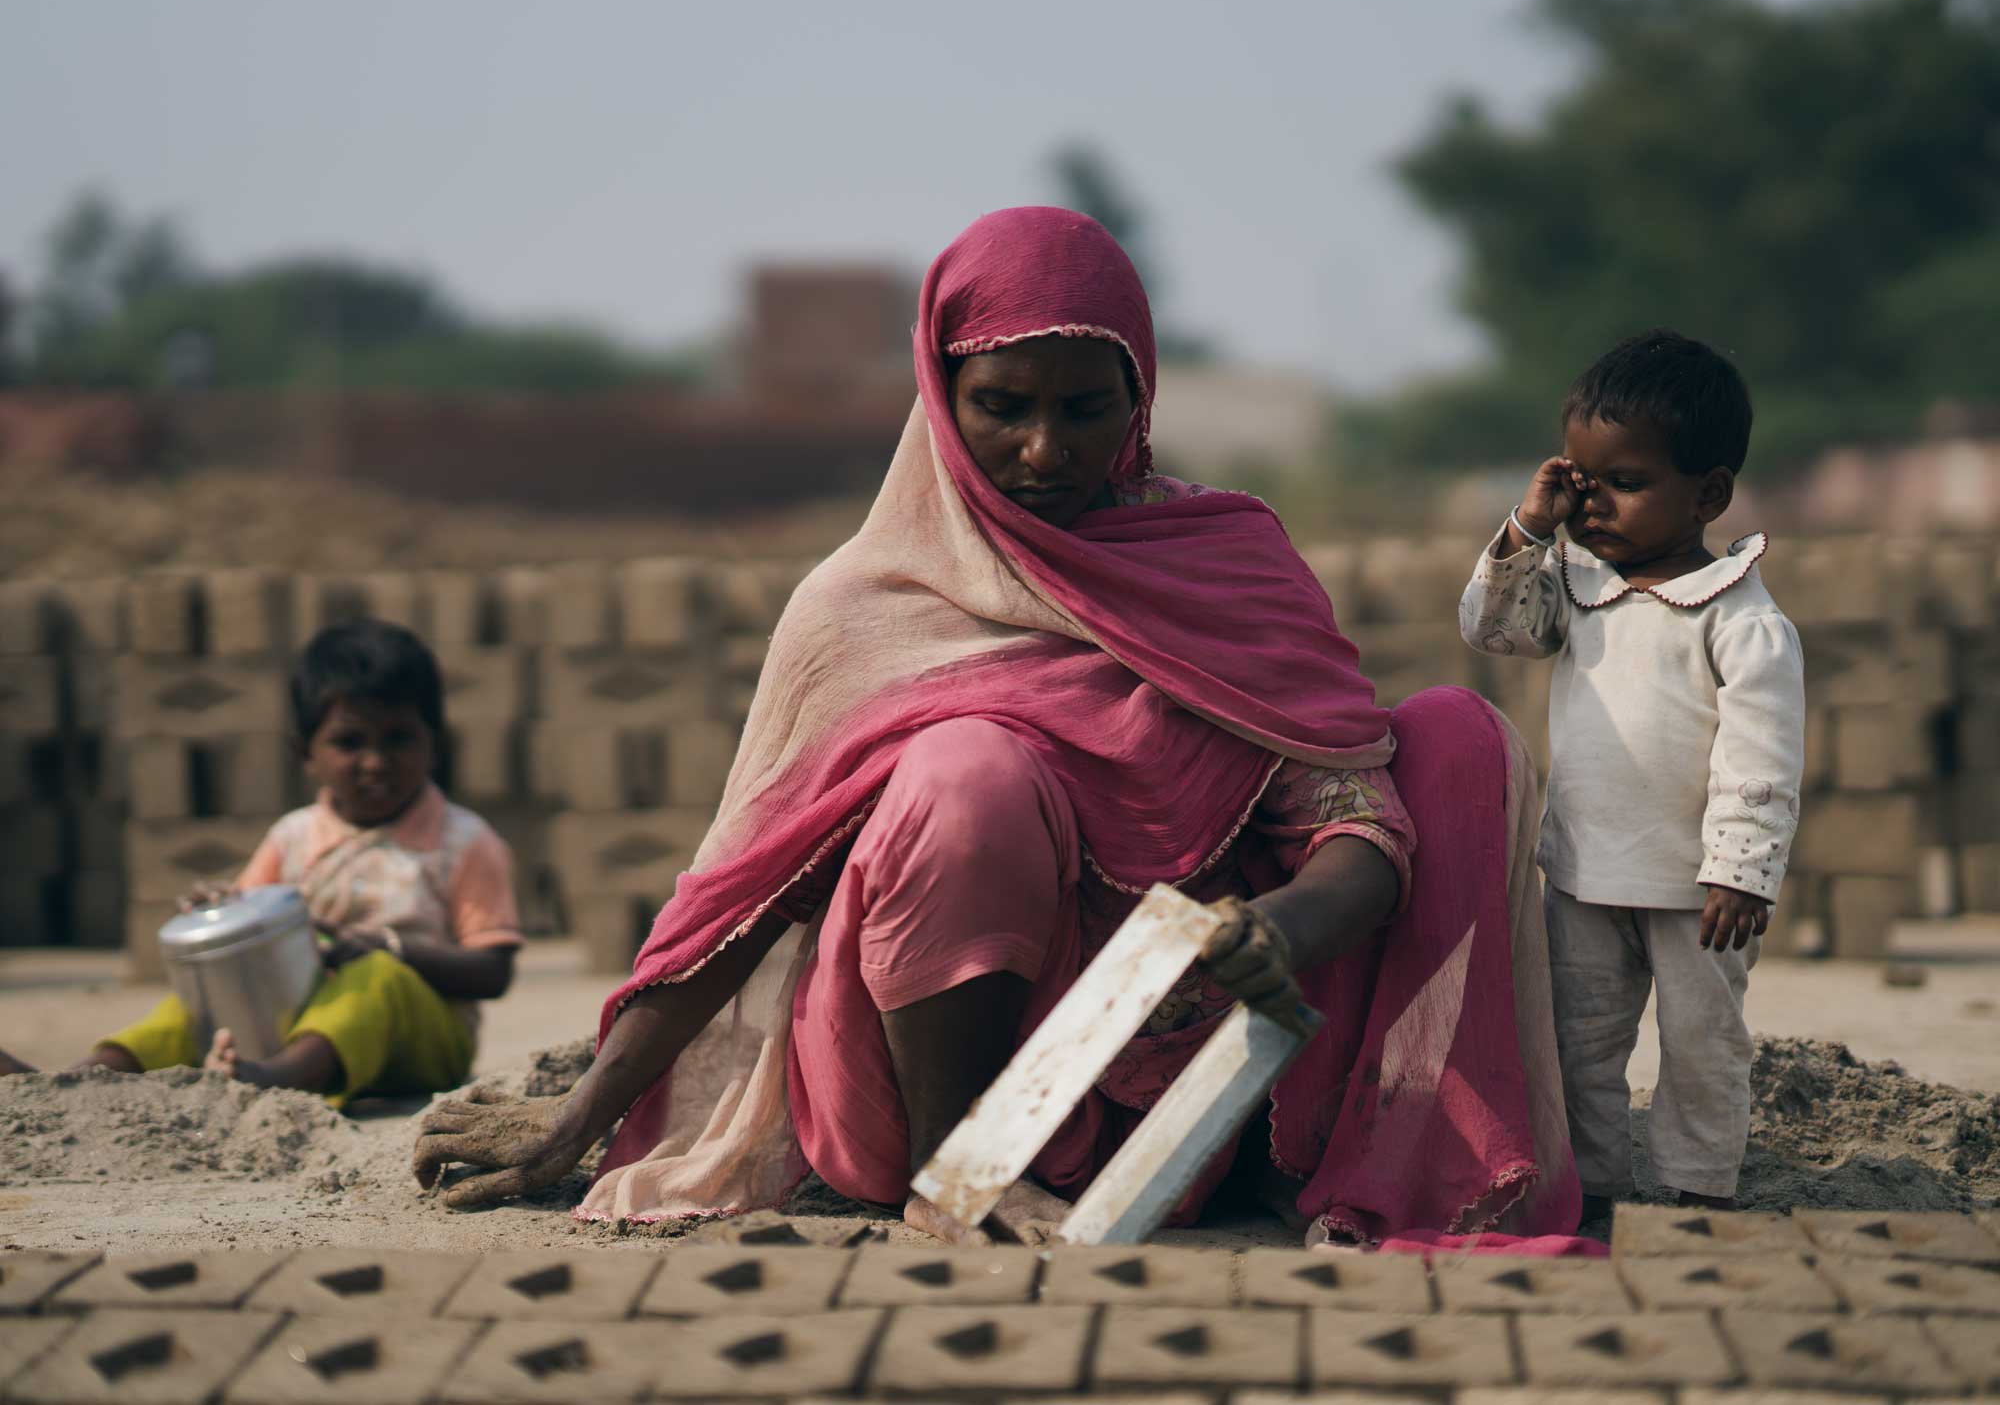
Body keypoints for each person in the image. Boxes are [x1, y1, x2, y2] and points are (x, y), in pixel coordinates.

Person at [413, 206, 1581, 1247]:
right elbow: (742, 892)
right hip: (932, 1083)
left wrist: (1275, 929)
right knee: (965, 771)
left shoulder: (1221, 566)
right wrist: (584, 1116)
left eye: (1084, 410)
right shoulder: (866, 604)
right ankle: (956, 1175)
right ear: (940, 399)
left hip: (1203, 1091)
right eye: (1000, 409)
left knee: (1450, 732)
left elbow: (1354, 826)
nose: (1042, 451)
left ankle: (1387, 1160)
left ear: (1140, 400)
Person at [1459, 329, 1805, 1222]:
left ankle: (1697, 1192)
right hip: (1581, 876)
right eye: (1582, 481)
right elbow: (1491, 631)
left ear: (1710, 494)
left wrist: (1741, 870)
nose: (1594, 506)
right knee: (1578, 1047)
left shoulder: (1739, 616)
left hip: (1700, 892)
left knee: (1700, 1046)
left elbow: (1761, 757)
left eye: (1625, 482)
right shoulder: (1574, 588)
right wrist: (1530, 527)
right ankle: (1596, 1187)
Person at [3, 618, 523, 1105]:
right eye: (349, 742)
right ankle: (70, 1082)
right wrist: (221, 912)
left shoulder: (462, 841)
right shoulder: (293, 837)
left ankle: (274, 1079)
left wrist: (389, 948)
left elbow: (493, 972)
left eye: (398, 738)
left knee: (376, 976)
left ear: (434, 743)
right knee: (191, 1007)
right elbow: (250, 930)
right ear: (305, 752)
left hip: (424, 1046)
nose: (375, 761)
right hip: (297, 1022)